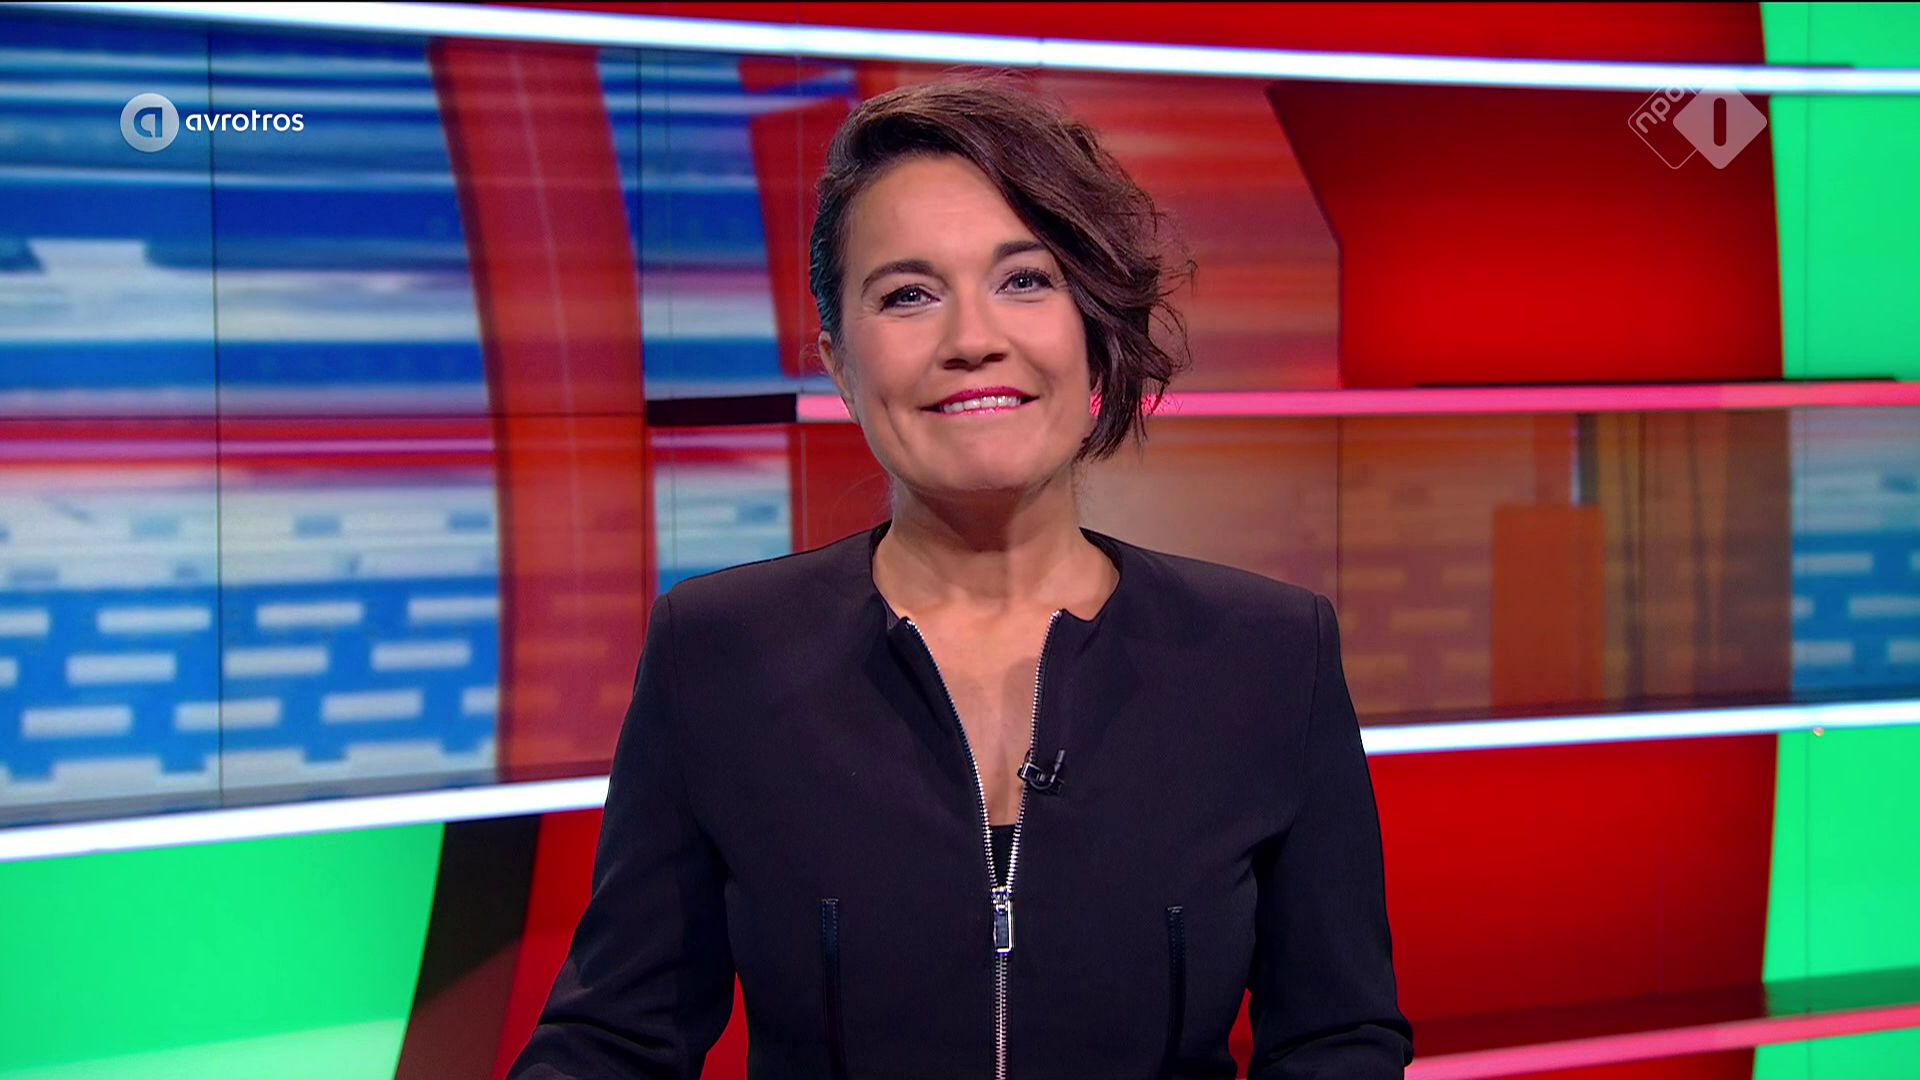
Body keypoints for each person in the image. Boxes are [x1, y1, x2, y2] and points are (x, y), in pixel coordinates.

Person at [509, 70, 1412, 1080]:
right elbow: (615, 1040)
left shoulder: (1269, 655)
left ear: (1094, 330)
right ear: (840, 363)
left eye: (1024, 281)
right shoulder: (717, 651)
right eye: (908, 295)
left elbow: (1339, 1040)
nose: (973, 340)